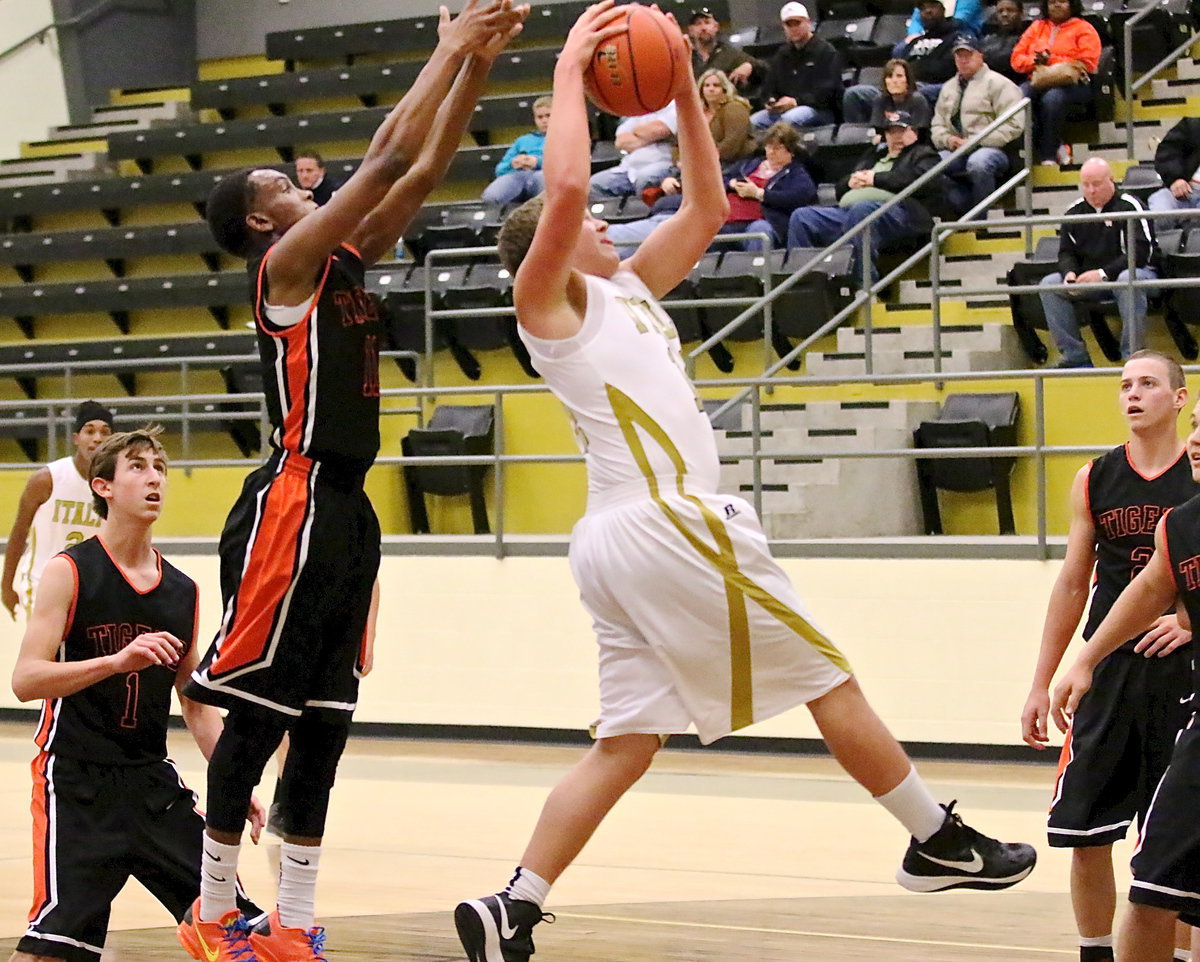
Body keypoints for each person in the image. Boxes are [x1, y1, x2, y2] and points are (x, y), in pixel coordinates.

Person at [455, 5, 1037, 961]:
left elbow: (703, 207)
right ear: (550, 250)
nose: (603, 221)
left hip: (620, 538)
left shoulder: (628, 291)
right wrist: (568, 69)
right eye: (590, 224)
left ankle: (513, 903)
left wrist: (686, 90)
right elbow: (562, 189)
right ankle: (934, 838)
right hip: (664, 523)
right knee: (826, 671)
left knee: (626, 743)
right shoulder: (545, 306)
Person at [182, 4, 529, 962]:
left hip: (345, 509)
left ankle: (291, 920)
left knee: (325, 724)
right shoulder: (284, 268)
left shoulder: (339, 261)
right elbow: (384, 159)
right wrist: (446, 47)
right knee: (259, 713)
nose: (302, 184)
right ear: (262, 221)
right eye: (281, 185)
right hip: (290, 502)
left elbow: (421, 172)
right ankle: (211, 909)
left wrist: (476, 65)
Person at [8, 427, 266, 962]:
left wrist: (233, 782)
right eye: (138, 466)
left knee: (236, 930)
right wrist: (114, 662)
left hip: (152, 784)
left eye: (160, 468)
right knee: (52, 949)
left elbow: (195, 702)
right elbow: (26, 680)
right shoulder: (69, 571)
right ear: (102, 486)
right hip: (76, 782)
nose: (154, 478)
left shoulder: (182, 590)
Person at [1021, 352, 1198, 962]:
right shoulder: (1095, 478)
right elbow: (1073, 581)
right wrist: (1043, 680)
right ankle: (1094, 952)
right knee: (1085, 829)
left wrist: (1188, 620)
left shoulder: (1197, 473)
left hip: (1180, 674)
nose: (1133, 394)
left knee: (1173, 841)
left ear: (1179, 398)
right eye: (1125, 385)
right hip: (1109, 666)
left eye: (1147, 383)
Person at [786, 111, 947, 280]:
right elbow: (840, 188)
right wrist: (849, 183)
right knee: (802, 217)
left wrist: (875, 179)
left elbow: (924, 181)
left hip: (900, 214)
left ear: (914, 133)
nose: (896, 137)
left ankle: (864, 285)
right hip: (851, 211)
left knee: (862, 210)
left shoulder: (923, 154)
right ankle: (803, 283)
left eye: (901, 131)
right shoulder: (873, 155)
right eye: (891, 132)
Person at [1038, 157, 1157, 369]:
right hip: (1091, 279)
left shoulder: (1130, 206)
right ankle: (1075, 357)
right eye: (1086, 185)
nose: (1091, 190)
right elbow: (1066, 252)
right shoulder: (1074, 212)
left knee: (1127, 279)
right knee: (1049, 285)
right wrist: (1069, 273)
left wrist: (1102, 273)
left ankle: (1132, 358)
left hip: (1138, 273)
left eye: (1097, 184)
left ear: (1111, 180)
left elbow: (1141, 253)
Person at [2, 401, 114, 620]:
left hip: (90, 587)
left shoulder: (115, 484)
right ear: (76, 438)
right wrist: (6, 586)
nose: (97, 438)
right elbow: (19, 532)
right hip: (42, 582)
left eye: (104, 432)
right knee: (47, 641)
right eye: (89, 431)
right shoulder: (47, 479)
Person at [930, 34, 1024, 212]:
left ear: (980, 55)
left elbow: (1014, 124)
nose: (963, 60)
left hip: (994, 148)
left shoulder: (1000, 84)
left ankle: (982, 218)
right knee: (930, 165)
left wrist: (977, 141)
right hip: (956, 149)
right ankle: (962, 207)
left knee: (978, 163)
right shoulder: (948, 88)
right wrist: (948, 140)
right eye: (959, 56)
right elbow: (937, 125)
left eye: (968, 55)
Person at [843, 0, 974, 123]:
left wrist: (909, 82)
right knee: (854, 94)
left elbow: (946, 70)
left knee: (916, 96)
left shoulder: (957, 38)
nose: (927, 11)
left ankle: (912, 135)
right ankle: (866, 136)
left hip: (936, 88)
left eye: (932, 6)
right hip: (903, 88)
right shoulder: (914, 42)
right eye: (922, 8)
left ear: (944, 10)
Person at [1010, 0, 1101, 166]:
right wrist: (1035, 60)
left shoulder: (1084, 28)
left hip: (1073, 83)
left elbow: (1087, 62)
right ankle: (1026, 151)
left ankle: (1049, 155)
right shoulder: (1037, 27)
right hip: (1039, 79)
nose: (1056, 5)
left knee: (1052, 99)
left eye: (1062, 1)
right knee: (1019, 95)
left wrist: (1050, 60)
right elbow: (1016, 59)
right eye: (1052, 2)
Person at [721, 122, 816, 249]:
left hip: (759, 221)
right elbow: (721, 179)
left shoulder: (796, 173)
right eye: (768, 146)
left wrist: (759, 194)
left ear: (791, 151)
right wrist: (732, 184)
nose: (771, 152)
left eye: (777, 148)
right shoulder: (749, 164)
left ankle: (758, 262)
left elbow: (800, 196)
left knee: (760, 230)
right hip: (728, 218)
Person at [751, 2, 843, 132]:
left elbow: (829, 91)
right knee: (752, 122)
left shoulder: (825, 51)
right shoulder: (782, 54)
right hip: (785, 109)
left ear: (808, 22)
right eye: (789, 25)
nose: (793, 28)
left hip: (820, 110)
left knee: (789, 120)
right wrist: (771, 100)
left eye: (797, 23)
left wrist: (796, 101)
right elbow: (769, 85)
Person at [589, 101, 678, 198]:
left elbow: (660, 129)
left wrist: (636, 131)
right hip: (629, 169)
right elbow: (620, 142)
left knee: (644, 180)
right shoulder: (640, 106)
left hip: (662, 166)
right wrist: (654, 137)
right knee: (595, 184)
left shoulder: (673, 104)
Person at [482, 95, 552, 205]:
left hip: (545, 176)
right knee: (491, 196)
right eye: (540, 117)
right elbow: (500, 170)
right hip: (518, 176)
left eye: (548, 116)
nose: (544, 120)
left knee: (545, 181)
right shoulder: (522, 140)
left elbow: (568, 166)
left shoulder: (566, 139)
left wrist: (537, 162)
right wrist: (513, 163)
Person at [686, 6, 763, 91]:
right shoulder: (686, 58)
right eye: (698, 24)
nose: (703, 28)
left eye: (707, 23)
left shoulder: (729, 54)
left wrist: (750, 66)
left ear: (716, 27)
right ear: (691, 30)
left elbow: (764, 69)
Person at [1149, 117, 1200, 228]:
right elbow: (1167, 153)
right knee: (1161, 209)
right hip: (1181, 193)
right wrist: (1175, 179)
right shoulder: (1191, 127)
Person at [868, 58, 934, 132]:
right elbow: (877, 131)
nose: (894, 81)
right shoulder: (880, 100)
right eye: (890, 76)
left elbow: (921, 133)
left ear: (908, 80)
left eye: (899, 76)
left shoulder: (918, 100)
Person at [980, 0, 1027, 83]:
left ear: (1021, 13)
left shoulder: (1028, 37)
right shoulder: (989, 39)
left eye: (1010, 10)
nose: (1004, 14)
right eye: (1000, 11)